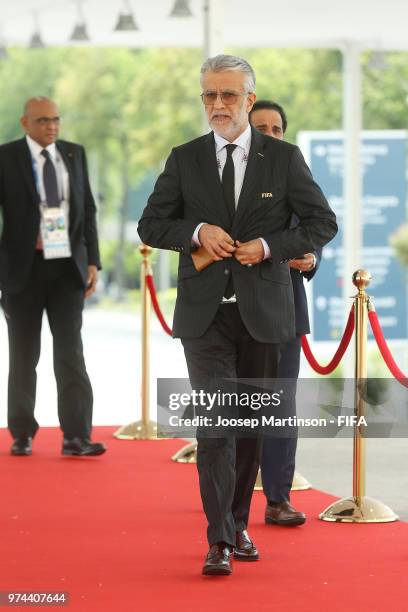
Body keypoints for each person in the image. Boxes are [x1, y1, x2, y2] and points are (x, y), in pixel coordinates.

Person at [138, 55, 337, 576]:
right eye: (209, 95)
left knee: (248, 426)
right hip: (204, 318)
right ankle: (220, 540)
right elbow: (151, 225)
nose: (218, 105)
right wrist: (196, 233)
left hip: (265, 314)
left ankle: (240, 522)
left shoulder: (285, 158)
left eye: (228, 95)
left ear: (250, 99)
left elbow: (322, 222)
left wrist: (269, 246)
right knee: (216, 427)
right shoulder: (184, 158)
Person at [0, 96, 106, 458]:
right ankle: (22, 433)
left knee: (71, 353)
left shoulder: (74, 153)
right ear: (25, 122)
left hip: (67, 269)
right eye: (44, 120)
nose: (52, 126)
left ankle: (77, 435)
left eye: (56, 120)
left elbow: (87, 209)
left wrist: (93, 261)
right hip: (22, 270)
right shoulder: (6, 156)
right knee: (23, 354)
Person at [250, 100, 321, 526]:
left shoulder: (295, 172)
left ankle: (278, 498)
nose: (272, 134)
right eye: (263, 127)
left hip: (284, 309)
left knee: (278, 404)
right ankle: (226, 498)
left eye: (278, 128)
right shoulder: (226, 177)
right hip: (232, 309)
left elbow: (317, 227)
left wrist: (311, 258)